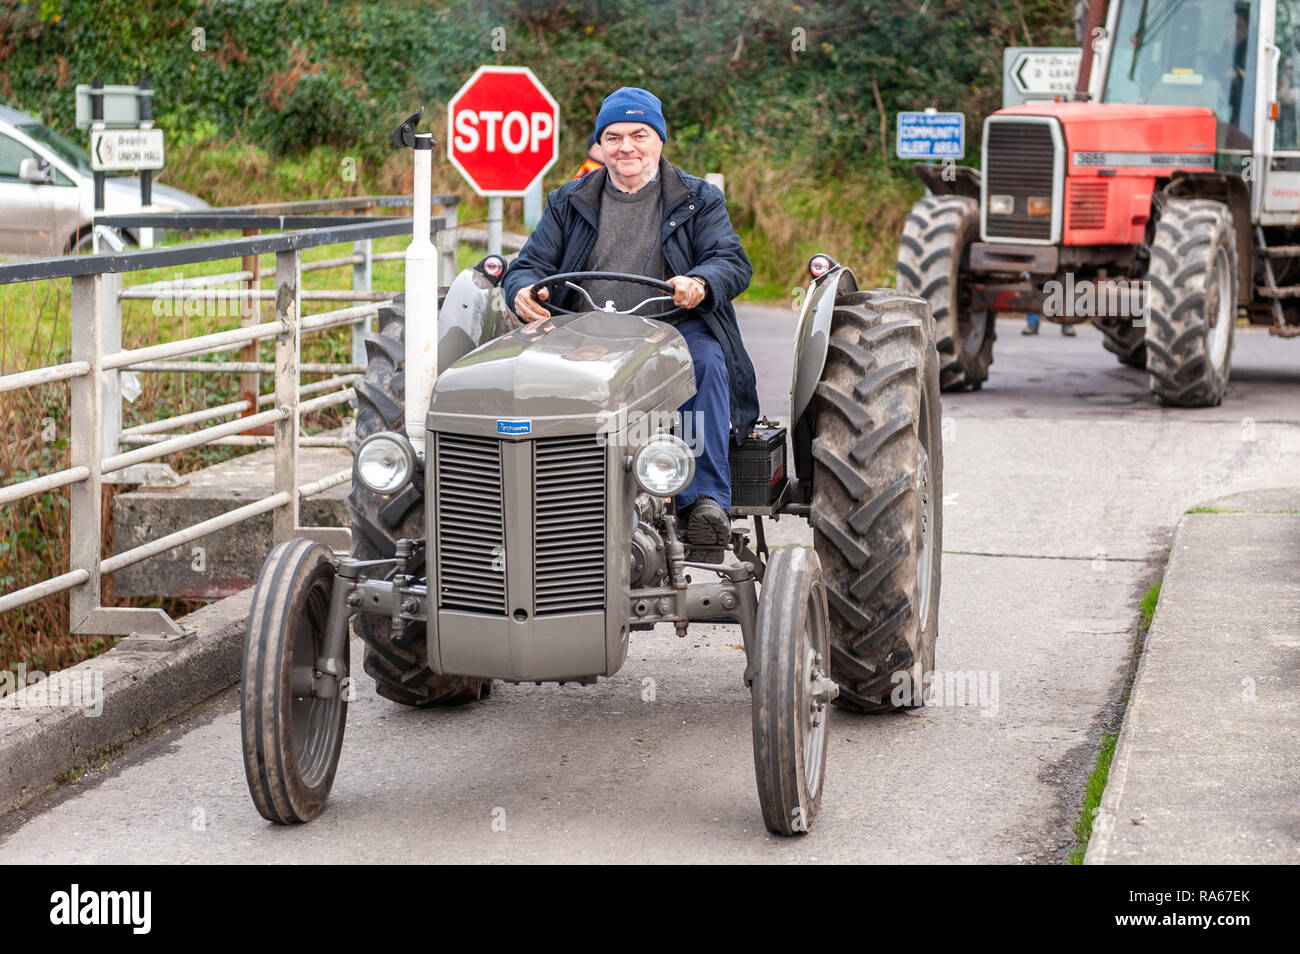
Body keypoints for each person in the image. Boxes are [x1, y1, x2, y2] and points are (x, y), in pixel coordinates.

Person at [502, 86, 758, 562]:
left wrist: (700, 282)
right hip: (581, 332)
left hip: (674, 328)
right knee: (531, 376)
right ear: (599, 145)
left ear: (659, 140)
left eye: (639, 134)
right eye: (614, 136)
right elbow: (528, 264)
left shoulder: (698, 199)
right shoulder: (569, 201)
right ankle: (546, 508)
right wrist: (521, 289)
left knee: (705, 362)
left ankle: (702, 502)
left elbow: (732, 261)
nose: (626, 147)